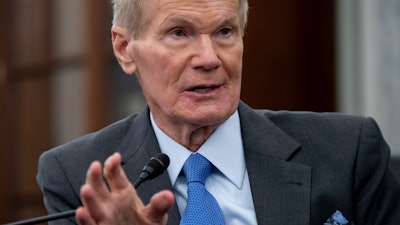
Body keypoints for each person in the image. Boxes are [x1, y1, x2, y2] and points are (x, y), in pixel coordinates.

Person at [37, 0, 400, 224]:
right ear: (124, 49)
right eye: (179, 33)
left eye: (225, 31)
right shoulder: (79, 177)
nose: (210, 59)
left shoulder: (349, 150)